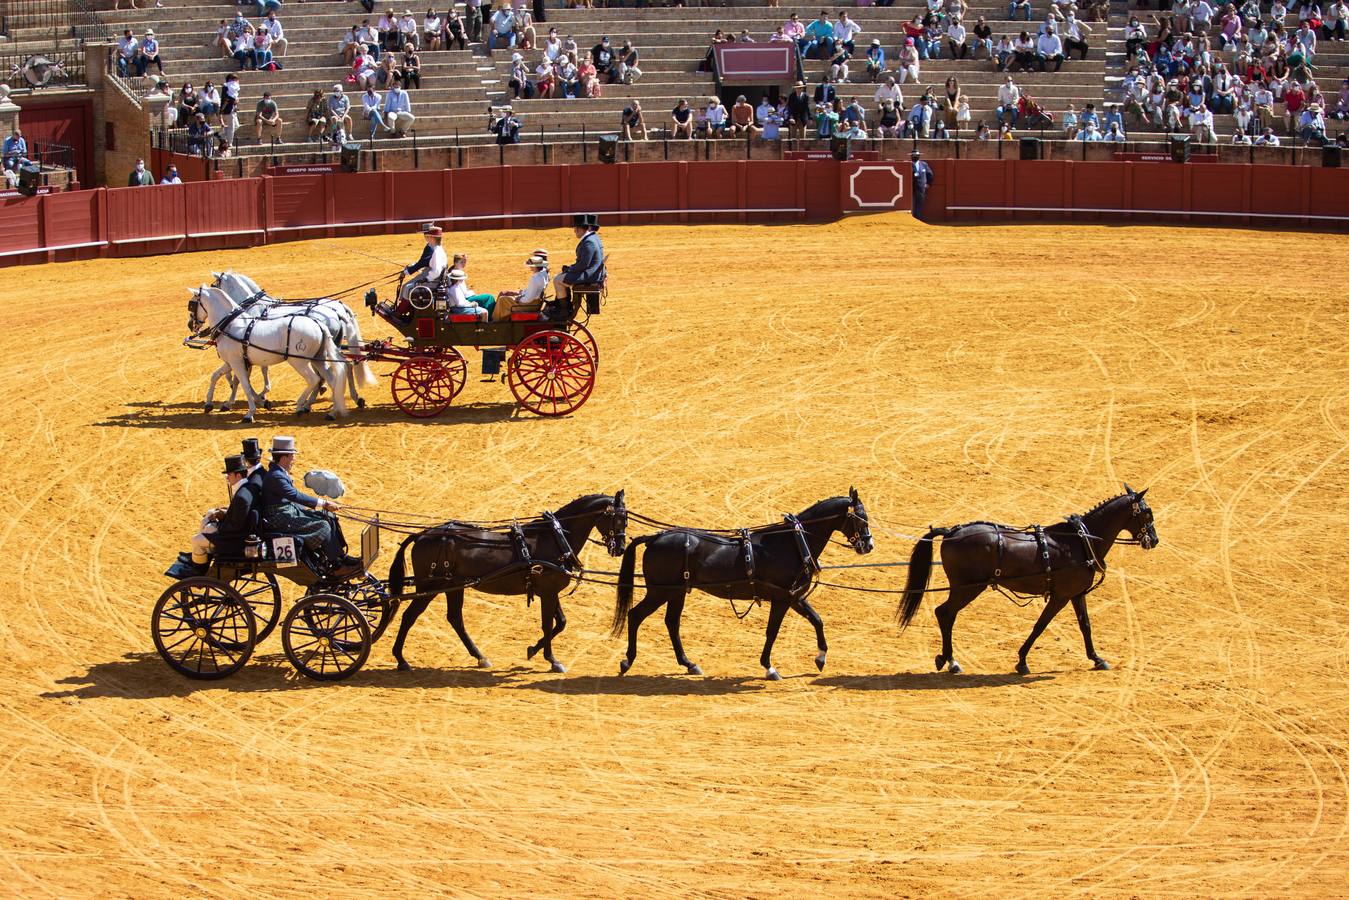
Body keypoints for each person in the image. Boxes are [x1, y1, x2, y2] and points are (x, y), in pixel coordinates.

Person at [261, 436, 359, 575]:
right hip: (279, 518)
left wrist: (323, 507)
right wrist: (323, 503)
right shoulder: (276, 476)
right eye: (292, 457)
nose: (293, 460)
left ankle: (340, 557)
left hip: (286, 511)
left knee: (328, 517)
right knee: (322, 525)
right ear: (284, 458)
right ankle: (337, 567)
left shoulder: (278, 472)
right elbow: (295, 495)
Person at [185, 455, 258, 574]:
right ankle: (202, 557)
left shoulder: (241, 496)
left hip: (235, 541)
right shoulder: (248, 488)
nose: (227, 478)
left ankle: (198, 572)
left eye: (229, 475)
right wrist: (224, 513)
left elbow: (235, 526)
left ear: (238, 475)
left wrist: (218, 526)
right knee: (208, 522)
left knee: (196, 540)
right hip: (241, 535)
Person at [553, 213, 604, 311]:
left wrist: (570, 269)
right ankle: (563, 305)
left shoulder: (589, 242)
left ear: (579, 229)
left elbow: (583, 264)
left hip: (589, 275)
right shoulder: (592, 238)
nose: (574, 231)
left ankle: (564, 309)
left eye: (575, 229)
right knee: (559, 277)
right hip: (592, 272)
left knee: (557, 280)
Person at [493, 252, 549, 320]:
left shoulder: (535, 279)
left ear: (535, 266)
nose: (530, 267)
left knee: (502, 299)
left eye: (531, 266)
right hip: (533, 302)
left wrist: (519, 299)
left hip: (528, 305)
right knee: (505, 296)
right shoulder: (543, 274)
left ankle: (495, 320)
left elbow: (528, 298)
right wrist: (520, 294)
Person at [400, 225, 448, 303]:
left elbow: (436, 271)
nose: (426, 238)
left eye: (427, 236)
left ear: (432, 238)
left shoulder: (436, 252)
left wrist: (427, 279)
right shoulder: (438, 250)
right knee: (407, 286)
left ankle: (401, 310)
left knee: (407, 287)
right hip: (436, 279)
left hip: (434, 281)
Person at [911, 150, 933, 220]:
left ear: (919, 156)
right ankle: (911, 218)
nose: (915, 157)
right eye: (913, 155)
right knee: (911, 203)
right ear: (911, 156)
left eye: (916, 155)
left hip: (921, 187)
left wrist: (928, 184)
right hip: (911, 187)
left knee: (920, 203)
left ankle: (918, 218)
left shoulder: (924, 164)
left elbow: (930, 174)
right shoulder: (908, 164)